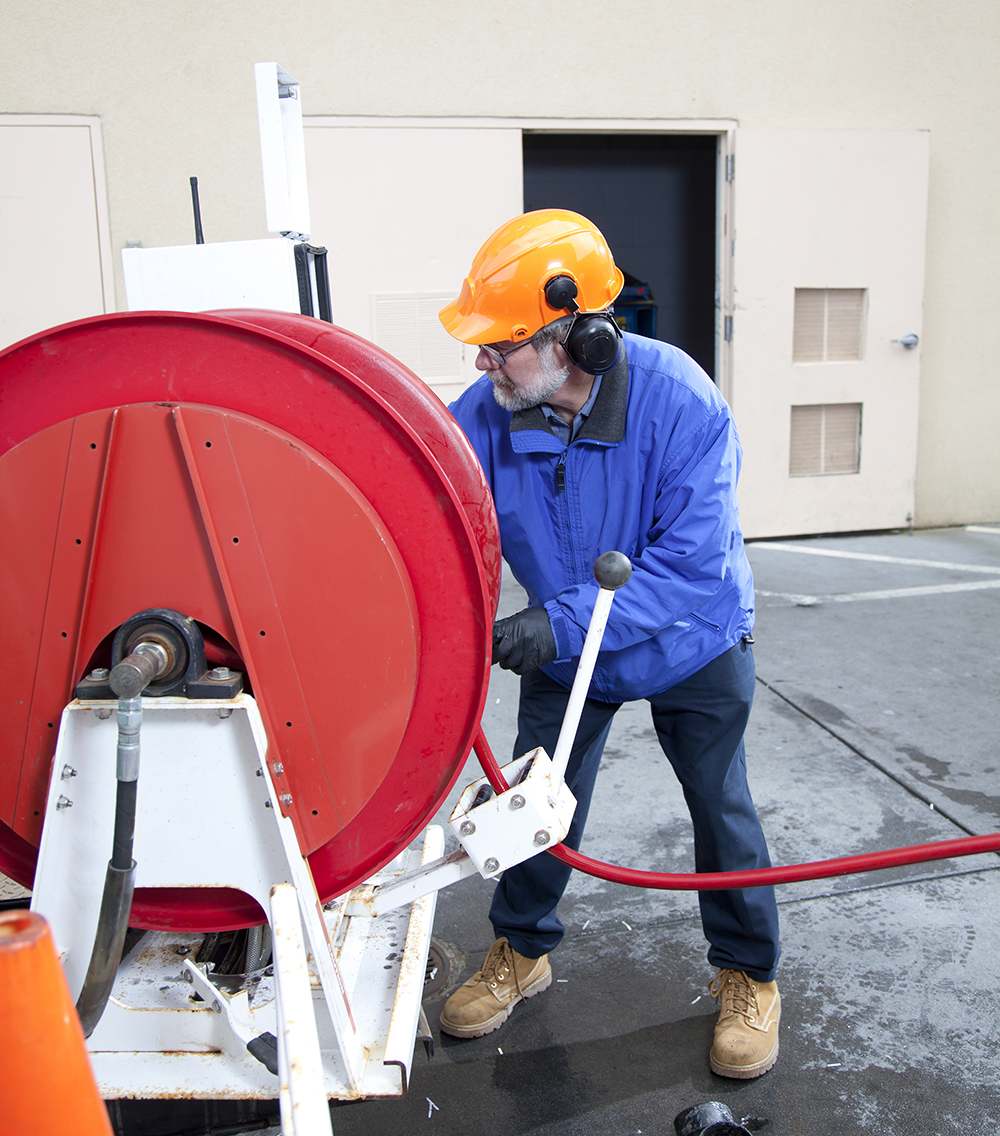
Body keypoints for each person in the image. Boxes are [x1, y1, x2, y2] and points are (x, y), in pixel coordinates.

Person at [437, 209, 781, 1079]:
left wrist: (554, 622)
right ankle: (521, 950)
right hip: (568, 652)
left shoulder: (682, 402)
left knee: (721, 804)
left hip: (691, 641)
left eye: (501, 346)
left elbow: (693, 567)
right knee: (534, 803)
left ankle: (748, 974)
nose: (483, 364)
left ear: (578, 340)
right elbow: (419, 492)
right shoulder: (488, 414)